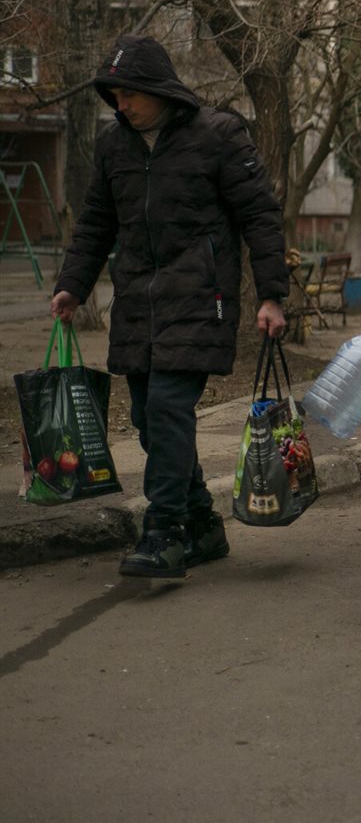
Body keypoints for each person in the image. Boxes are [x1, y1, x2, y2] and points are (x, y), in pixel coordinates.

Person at [52, 35, 288, 578]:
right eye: (114, 95)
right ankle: (204, 524)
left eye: (130, 94)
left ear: (159, 89)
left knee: (166, 409)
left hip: (202, 297)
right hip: (136, 299)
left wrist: (272, 294)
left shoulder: (219, 135)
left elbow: (261, 215)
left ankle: (165, 532)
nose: (122, 105)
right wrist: (73, 284)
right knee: (146, 418)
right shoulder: (114, 147)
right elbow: (95, 223)